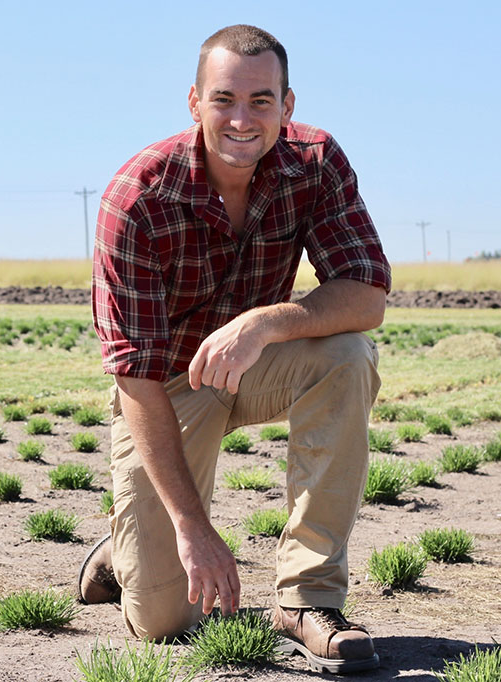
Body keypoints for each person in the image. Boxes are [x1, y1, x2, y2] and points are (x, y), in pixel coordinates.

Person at [79, 24, 391, 674]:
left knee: (348, 355)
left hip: (254, 363)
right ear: (194, 103)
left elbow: (366, 297)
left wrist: (265, 325)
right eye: (224, 99)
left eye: (261, 101)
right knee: (164, 623)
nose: (242, 119)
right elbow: (135, 379)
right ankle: (124, 550)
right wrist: (192, 529)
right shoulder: (136, 199)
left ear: (287, 105)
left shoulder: (316, 163)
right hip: (164, 388)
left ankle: (307, 599)